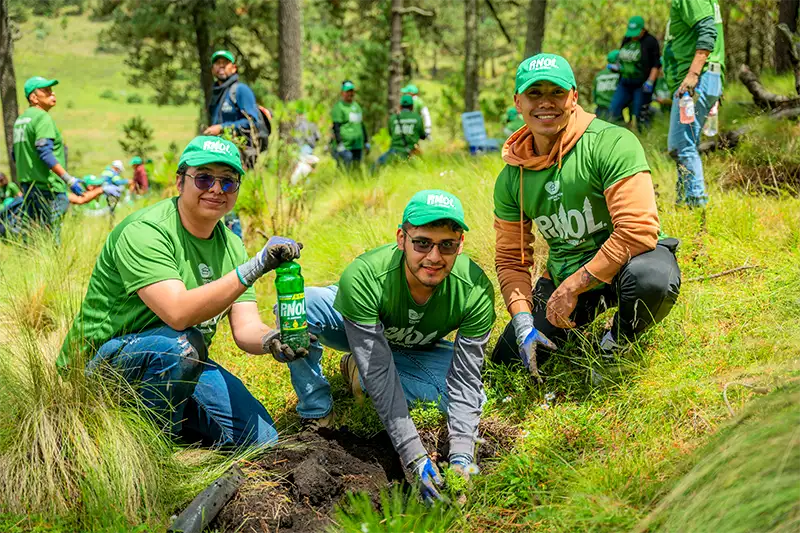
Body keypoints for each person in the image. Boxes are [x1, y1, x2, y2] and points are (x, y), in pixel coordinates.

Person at [59, 136, 304, 448]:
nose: (216, 189)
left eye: (228, 182)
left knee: (261, 441)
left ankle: (171, 426)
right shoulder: (146, 231)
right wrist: (255, 266)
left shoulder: (231, 245)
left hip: (181, 360)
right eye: (203, 178)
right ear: (180, 182)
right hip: (104, 365)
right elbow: (178, 313)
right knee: (181, 345)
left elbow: (245, 327)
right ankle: (146, 454)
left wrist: (271, 339)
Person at [286, 189, 495, 502]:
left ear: (460, 245)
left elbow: (465, 381)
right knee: (298, 308)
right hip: (355, 326)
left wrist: (462, 458)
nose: (434, 257)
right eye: (422, 242)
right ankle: (317, 411)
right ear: (402, 239)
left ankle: (360, 369)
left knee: (473, 395)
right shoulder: (366, 276)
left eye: (447, 245)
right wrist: (415, 457)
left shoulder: (475, 290)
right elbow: (382, 376)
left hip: (415, 344)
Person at [491, 53, 681, 383]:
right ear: (518, 102)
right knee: (507, 361)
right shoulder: (511, 179)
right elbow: (511, 259)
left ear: (574, 97)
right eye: (535, 94)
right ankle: (571, 334)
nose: (545, 103)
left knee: (652, 281)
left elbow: (638, 231)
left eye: (556, 93)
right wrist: (523, 321)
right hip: (565, 278)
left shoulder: (612, 143)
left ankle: (617, 344)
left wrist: (573, 287)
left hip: (625, 266)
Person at [663, 0, 724, 207]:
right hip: (701, 80)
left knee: (682, 145)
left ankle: (697, 206)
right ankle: (682, 203)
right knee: (682, 145)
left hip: (694, 82)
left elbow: (708, 30)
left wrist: (694, 74)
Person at [12, 76, 85, 233]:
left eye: (52, 90)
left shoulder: (21, 120)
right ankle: (52, 256)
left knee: (34, 230)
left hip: (27, 185)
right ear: (33, 97)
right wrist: (69, 180)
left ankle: (31, 255)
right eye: (46, 91)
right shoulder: (42, 118)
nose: (53, 94)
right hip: (48, 186)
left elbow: (14, 155)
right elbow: (45, 153)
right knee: (51, 231)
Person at [205, 50, 263, 170]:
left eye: (225, 63)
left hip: (239, 155)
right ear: (212, 69)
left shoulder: (241, 90)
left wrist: (221, 128)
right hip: (219, 154)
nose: (221, 66)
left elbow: (252, 122)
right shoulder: (216, 94)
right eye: (217, 63)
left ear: (234, 68)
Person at [609, 16, 662, 128]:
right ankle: (622, 131)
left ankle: (644, 134)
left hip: (642, 83)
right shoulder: (627, 39)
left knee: (640, 112)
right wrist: (617, 67)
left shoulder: (650, 41)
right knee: (614, 108)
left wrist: (650, 82)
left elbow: (656, 64)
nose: (634, 35)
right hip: (625, 81)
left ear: (643, 29)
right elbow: (622, 59)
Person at [373, 94, 426, 169]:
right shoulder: (417, 118)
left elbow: (391, 134)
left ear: (400, 106)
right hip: (411, 152)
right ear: (412, 106)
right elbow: (422, 135)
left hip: (394, 151)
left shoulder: (393, 118)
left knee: (376, 166)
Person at [331, 80, 369, 168]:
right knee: (345, 169)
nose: (350, 93)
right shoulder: (339, 107)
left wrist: (366, 141)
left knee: (356, 169)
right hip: (345, 147)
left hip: (357, 145)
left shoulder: (357, 106)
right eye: (347, 91)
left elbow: (361, 125)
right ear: (342, 93)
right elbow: (336, 127)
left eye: (351, 91)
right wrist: (339, 143)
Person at [592, 50, 621, 119]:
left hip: (599, 110)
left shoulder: (599, 75)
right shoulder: (620, 75)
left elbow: (594, 94)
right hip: (615, 110)